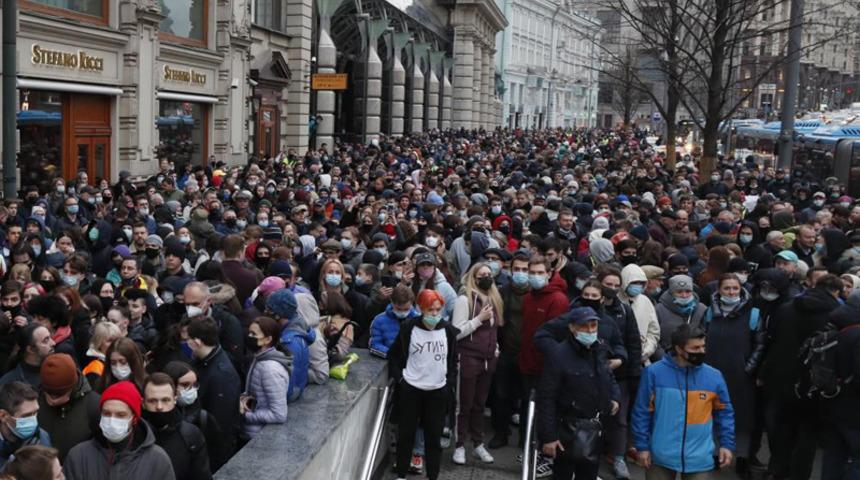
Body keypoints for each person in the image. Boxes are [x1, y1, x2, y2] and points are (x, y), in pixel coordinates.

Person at [759, 274, 843, 480]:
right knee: (807, 435)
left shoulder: (787, 308)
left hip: (781, 378)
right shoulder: (835, 314)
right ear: (837, 292)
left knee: (781, 429)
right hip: (811, 384)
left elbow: (771, 339)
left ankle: (776, 470)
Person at [632, 324, 736, 479]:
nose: (701, 352)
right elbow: (642, 412)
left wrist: (727, 444)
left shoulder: (714, 377)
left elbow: (725, 413)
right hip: (661, 456)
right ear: (679, 349)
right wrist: (642, 446)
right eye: (695, 348)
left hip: (699, 458)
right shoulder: (653, 373)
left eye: (703, 347)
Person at [537, 307, 620, 480]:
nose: (590, 331)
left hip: (595, 428)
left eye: (593, 326)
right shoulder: (559, 355)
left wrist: (614, 398)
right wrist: (549, 437)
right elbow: (546, 398)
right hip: (567, 429)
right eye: (584, 327)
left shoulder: (599, 349)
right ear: (572, 328)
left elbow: (609, 376)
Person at [388, 290, 458, 480]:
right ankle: (401, 475)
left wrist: (447, 384)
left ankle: (433, 476)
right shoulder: (409, 328)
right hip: (411, 389)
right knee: (406, 435)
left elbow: (453, 362)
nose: (435, 314)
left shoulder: (448, 331)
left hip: (437, 392)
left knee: (433, 439)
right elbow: (393, 357)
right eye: (430, 310)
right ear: (420, 308)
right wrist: (401, 381)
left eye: (438, 310)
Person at [63, 380, 176, 480]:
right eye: (107, 413)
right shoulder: (78, 456)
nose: (112, 420)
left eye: (120, 415)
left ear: (134, 419)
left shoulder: (157, 460)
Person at [451, 262, 505, 465]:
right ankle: (459, 445)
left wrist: (496, 349)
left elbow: (494, 331)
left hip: (488, 360)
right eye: (482, 274)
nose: (486, 277)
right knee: (463, 405)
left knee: (479, 405)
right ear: (473, 277)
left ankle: (477, 443)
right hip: (467, 358)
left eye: (489, 274)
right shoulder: (464, 299)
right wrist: (479, 319)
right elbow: (456, 332)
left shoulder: (494, 298)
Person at [184, 317, 240, 468]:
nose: (186, 343)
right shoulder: (202, 361)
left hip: (215, 451)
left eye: (188, 339)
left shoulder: (222, 375)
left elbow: (220, 424)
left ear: (197, 342)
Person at [142, 373, 211, 480]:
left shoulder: (190, 435)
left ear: (174, 399)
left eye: (165, 400)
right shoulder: (136, 436)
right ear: (143, 403)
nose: (159, 407)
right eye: (152, 401)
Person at [37, 353, 100, 462]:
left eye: (59, 394)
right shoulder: (35, 402)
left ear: (73, 386)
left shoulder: (93, 405)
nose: (53, 400)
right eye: (49, 393)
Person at [241, 317, 290, 439]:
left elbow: (279, 414)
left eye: (254, 334)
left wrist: (246, 415)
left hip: (258, 435)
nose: (249, 337)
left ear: (268, 339)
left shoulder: (270, 369)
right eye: (249, 333)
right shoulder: (259, 358)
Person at [0, 382, 51, 468]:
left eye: (36, 412)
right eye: (26, 415)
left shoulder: (42, 437)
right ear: (3, 416)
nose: (33, 420)